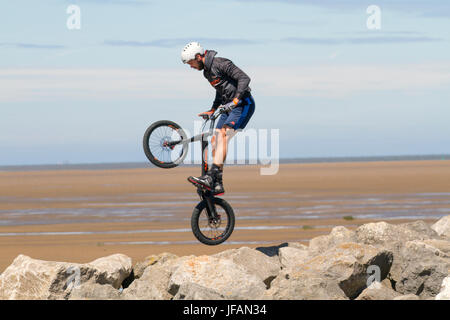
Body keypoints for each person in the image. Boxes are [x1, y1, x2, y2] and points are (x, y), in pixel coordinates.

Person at [181, 41, 255, 195]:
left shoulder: (221, 63)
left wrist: (235, 100)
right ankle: (217, 183)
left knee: (223, 136)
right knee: (215, 141)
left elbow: (244, 79)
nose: (191, 66)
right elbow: (220, 91)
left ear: (198, 56)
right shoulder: (207, 72)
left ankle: (211, 176)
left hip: (242, 104)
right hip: (227, 107)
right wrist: (213, 109)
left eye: (191, 63)